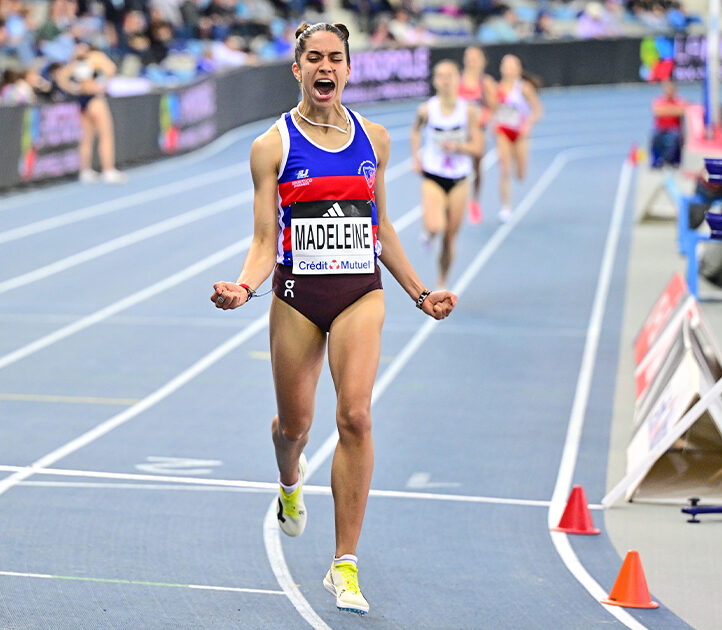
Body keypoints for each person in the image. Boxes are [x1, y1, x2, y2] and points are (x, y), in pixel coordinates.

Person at [210, 21, 456, 616]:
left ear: (348, 69)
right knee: (293, 428)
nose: (326, 67)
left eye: (336, 58)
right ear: (297, 69)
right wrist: (244, 286)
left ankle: (344, 564)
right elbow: (266, 240)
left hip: (358, 291)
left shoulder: (375, 139)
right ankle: (289, 483)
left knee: (356, 416)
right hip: (297, 295)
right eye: (314, 58)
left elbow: (382, 226)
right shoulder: (271, 146)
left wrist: (421, 293)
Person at [412, 60, 484, 289]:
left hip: (459, 179)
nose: (445, 80)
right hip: (433, 175)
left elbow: (478, 147)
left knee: (450, 238)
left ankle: (442, 280)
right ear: (435, 81)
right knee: (435, 226)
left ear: (457, 80)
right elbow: (415, 130)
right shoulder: (426, 110)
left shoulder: (468, 111)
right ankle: (428, 234)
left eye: (450, 75)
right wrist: (416, 156)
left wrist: (458, 147)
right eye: (441, 76)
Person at [56, 42, 127, 184]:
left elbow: (61, 77)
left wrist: (74, 89)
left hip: (82, 99)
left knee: (86, 138)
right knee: (105, 134)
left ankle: (85, 170)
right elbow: (111, 69)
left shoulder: (74, 63)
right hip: (94, 99)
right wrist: (101, 84)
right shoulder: (94, 58)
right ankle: (108, 169)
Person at [493, 54, 542, 222]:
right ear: (501, 69)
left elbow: (537, 110)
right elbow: (490, 110)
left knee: (520, 175)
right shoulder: (496, 88)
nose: (508, 69)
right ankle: (505, 208)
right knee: (504, 169)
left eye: (512, 66)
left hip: (520, 134)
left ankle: (515, 159)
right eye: (505, 65)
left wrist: (528, 125)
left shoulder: (524, 88)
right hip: (503, 131)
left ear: (518, 69)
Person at [457, 45, 497, 224]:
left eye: (475, 57)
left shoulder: (485, 82)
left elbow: (493, 107)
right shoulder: (457, 80)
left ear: (482, 61)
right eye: (468, 57)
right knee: (457, 166)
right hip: (458, 130)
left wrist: (482, 119)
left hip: (478, 131)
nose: (471, 61)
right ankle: (456, 199)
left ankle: (474, 201)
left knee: (477, 166)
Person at [650, 79, 685, 169]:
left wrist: (666, 110)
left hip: (674, 129)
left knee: (674, 138)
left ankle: (669, 160)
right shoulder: (658, 100)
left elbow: (681, 111)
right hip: (661, 128)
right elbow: (657, 111)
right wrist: (673, 110)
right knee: (655, 137)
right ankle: (657, 160)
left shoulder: (680, 100)